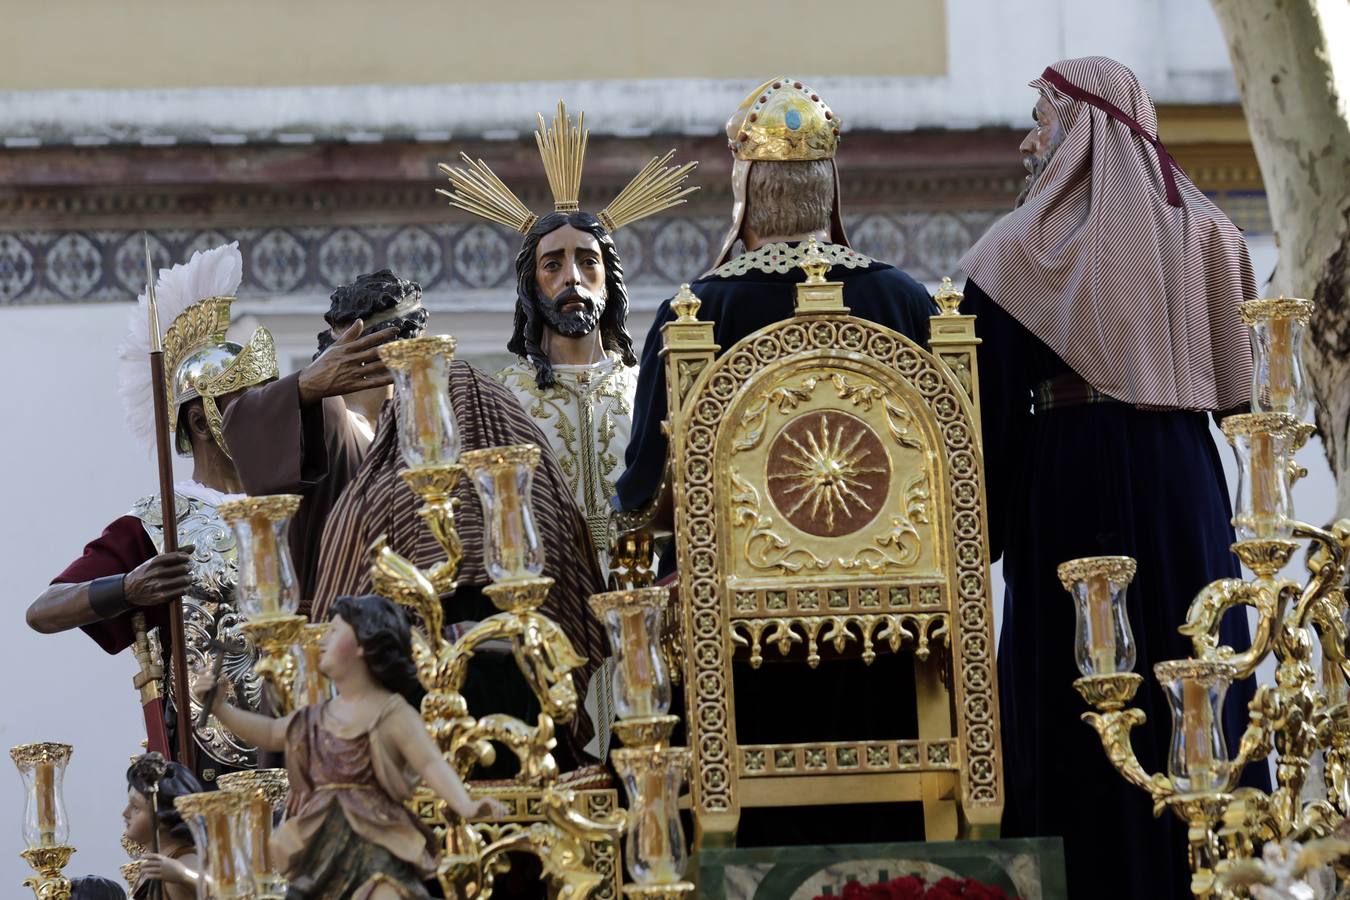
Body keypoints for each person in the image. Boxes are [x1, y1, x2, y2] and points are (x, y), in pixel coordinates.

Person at [958, 56, 1268, 899]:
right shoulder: (1212, 236)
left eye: (1045, 120)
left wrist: (978, 528)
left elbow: (982, 420)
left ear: (1085, 126)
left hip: (1068, 486)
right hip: (1183, 489)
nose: (1030, 142)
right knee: (1196, 672)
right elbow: (1245, 397)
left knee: (1077, 697)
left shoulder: (1011, 253)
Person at [612, 77, 937, 847]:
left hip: (744, 650)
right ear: (828, 188)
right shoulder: (907, 304)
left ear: (745, 191)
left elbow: (643, 491)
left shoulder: (696, 312)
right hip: (894, 638)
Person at [27, 243, 277, 780]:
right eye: (248, 403)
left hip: (308, 757)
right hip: (211, 773)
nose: (267, 417)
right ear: (204, 422)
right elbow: (44, 610)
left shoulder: (290, 506)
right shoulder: (156, 525)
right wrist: (128, 588)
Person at [199, 594, 506, 899]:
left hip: (379, 844)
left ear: (363, 644)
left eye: (333, 632)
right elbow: (268, 733)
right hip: (320, 849)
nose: (320, 641)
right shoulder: (315, 717)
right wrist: (221, 709)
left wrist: (466, 805)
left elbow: (431, 764)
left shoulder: (392, 713)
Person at [221, 270, 420, 608]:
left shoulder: (413, 435)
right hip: (333, 633)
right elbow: (241, 424)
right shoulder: (329, 415)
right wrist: (307, 385)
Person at [493, 212, 639, 564]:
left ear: (609, 278)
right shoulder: (503, 399)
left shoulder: (646, 389)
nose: (572, 278)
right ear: (532, 283)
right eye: (552, 265)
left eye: (588, 262)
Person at [124, 753, 205, 900]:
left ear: (164, 815)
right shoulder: (159, 865)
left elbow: (222, 892)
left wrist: (184, 875)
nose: (125, 813)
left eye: (136, 807)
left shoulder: (183, 863)